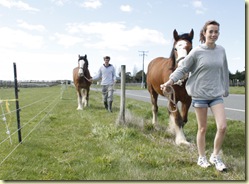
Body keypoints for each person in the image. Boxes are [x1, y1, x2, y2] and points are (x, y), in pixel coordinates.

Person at [160, 20, 229, 172]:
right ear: (204, 33)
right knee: (202, 129)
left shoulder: (221, 51)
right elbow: (182, 68)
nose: (213, 34)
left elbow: (224, 70)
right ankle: (202, 157)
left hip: (216, 94)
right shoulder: (196, 52)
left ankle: (215, 156)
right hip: (199, 94)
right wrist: (169, 81)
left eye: (216, 31)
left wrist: (226, 89)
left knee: (222, 127)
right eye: (210, 31)